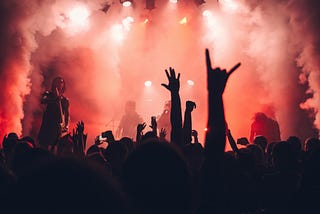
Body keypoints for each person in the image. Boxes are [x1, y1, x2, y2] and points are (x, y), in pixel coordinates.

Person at [38, 77, 69, 150]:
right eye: (57, 82)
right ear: (53, 84)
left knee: (57, 147)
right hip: (47, 125)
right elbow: (43, 100)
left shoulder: (65, 100)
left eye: (61, 82)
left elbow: (67, 114)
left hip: (58, 126)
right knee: (44, 146)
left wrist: (66, 126)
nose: (59, 84)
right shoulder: (47, 94)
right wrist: (54, 99)